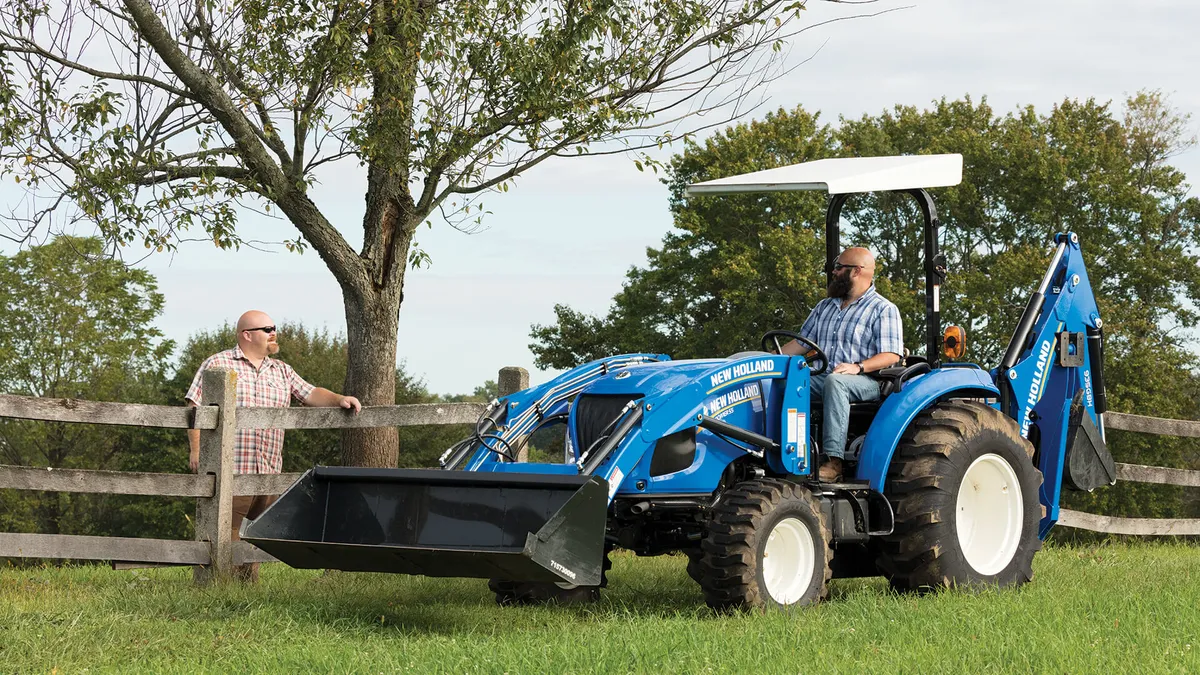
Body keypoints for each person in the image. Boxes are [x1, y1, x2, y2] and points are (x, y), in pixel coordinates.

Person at [185, 310, 362, 581]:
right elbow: (195, 406)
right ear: (247, 334)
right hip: (230, 468)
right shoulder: (218, 364)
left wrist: (339, 398)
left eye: (274, 328)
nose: (273, 333)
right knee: (224, 533)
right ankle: (217, 589)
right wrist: (197, 451)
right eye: (267, 329)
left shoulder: (282, 370)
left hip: (268, 470)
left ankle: (245, 593)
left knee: (256, 534)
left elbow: (311, 393)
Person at [780, 247, 903, 482]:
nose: (833, 273)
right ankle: (783, 451)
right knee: (784, 382)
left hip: (866, 381)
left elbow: (891, 355)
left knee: (836, 382)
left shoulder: (883, 309)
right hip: (823, 376)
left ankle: (833, 461)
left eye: (838, 268)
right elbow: (800, 344)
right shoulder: (824, 307)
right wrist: (765, 361)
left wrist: (858, 367)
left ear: (856, 271)